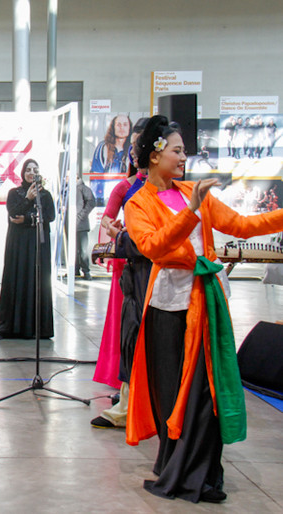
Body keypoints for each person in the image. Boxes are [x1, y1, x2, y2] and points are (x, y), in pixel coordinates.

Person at [124, 115, 283, 503]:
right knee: (173, 394)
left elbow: (243, 225)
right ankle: (176, 466)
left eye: (183, 150)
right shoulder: (138, 203)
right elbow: (155, 247)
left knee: (206, 395)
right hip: (168, 308)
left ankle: (203, 474)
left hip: (205, 305)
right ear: (156, 154)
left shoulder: (194, 191)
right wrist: (191, 210)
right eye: (177, 150)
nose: (184, 157)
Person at [91, 117, 150, 429]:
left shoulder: (170, 189)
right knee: (126, 327)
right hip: (130, 265)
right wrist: (118, 237)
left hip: (160, 266)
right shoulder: (125, 188)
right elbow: (106, 221)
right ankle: (126, 388)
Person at [0, 159, 55, 340]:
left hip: (37, 247)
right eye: (28, 169)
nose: (31, 173)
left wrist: (26, 219)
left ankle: (37, 328)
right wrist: (28, 199)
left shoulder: (46, 195)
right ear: (22, 172)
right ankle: (8, 327)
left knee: (37, 281)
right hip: (18, 247)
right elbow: (13, 213)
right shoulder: (14, 193)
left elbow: (50, 215)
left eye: (35, 169)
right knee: (16, 279)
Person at [75, 174, 95, 280]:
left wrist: (81, 216)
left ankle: (86, 271)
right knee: (73, 249)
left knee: (83, 249)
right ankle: (75, 269)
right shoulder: (69, 189)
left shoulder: (84, 189)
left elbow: (91, 202)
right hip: (72, 225)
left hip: (80, 225)